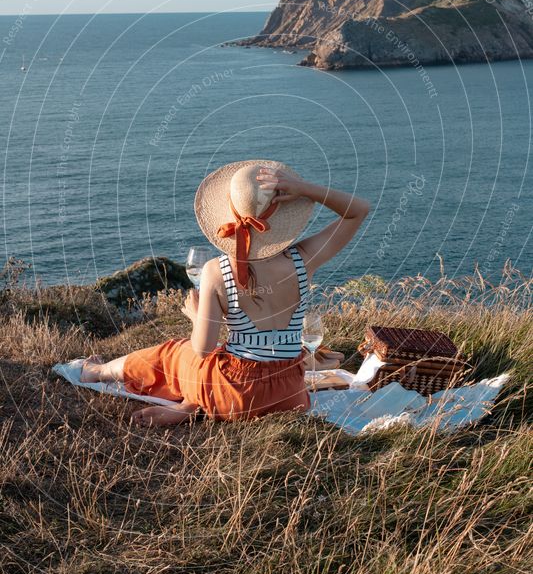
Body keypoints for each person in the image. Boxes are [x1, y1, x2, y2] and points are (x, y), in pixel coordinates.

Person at [81, 160, 370, 426]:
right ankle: (191, 405)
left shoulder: (216, 271)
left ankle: (99, 373)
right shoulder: (304, 258)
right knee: (215, 359)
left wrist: (197, 319)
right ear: (283, 214)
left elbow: (203, 350)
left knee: (175, 352)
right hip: (290, 394)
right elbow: (358, 209)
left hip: (236, 394)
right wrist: (305, 189)